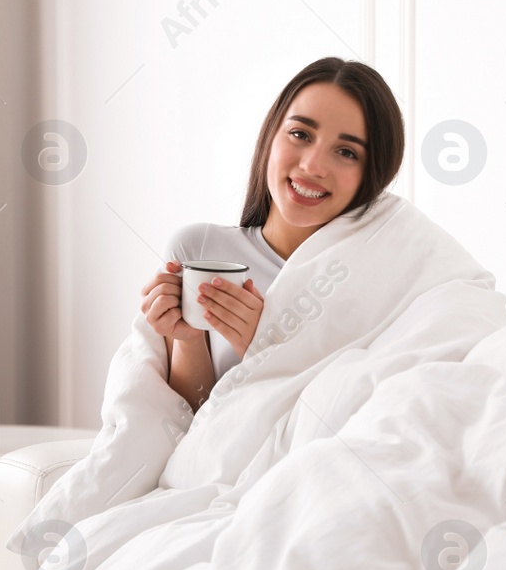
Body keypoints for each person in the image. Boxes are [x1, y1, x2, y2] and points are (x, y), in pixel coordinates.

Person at [139, 56, 406, 412]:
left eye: (345, 152)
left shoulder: (379, 282)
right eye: (300, 134)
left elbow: (363, 425)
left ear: (372, 174)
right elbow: (189, 433)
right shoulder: (198, 250)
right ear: (271, 137)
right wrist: (186, 340)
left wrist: (268, 349)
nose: (312, 166)